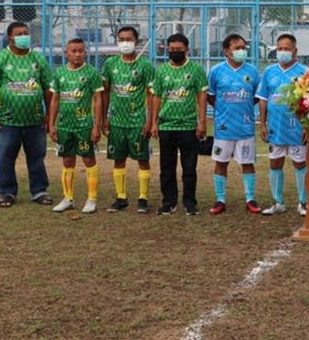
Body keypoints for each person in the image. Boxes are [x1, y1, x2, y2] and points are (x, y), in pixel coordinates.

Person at [0, 21, 53, 207]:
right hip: (7, 120)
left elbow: (48, 89)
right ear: (10, 37)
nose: (24, 36)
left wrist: (48, 115)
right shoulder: (0, 58)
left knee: (36, 157)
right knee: (5, 157)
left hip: (35, 120)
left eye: (26, 33)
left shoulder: (38, 59)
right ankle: (7, 193)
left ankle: (39, 191)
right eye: (19, 34)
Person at [150, 33, 208, 215]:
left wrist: (201, 122)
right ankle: (169, 201)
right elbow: (156, 96)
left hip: (188, 125)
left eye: (179, 50)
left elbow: (201, 95)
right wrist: (153, 122)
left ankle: (190, 202)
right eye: (172, 50)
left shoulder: (196, 70)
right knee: (166, 167)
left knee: (189, 167)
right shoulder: (161, 71)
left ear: (187, 49)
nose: (175, 52)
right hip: (166, 126)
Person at [101, 26, 155, 213]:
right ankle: (121, 197)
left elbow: (151, 95)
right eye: (121, 39)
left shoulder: (145, 65)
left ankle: (143, 198)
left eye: (129, 39)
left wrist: (149, 121)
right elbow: (106, 91)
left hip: (138, 122)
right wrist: (104, 119)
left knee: (142, 160)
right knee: (118, 159)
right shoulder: (110, 64)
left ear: (137, 41)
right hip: (116, 122)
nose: (125, 42)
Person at [207, 34, 262, 215]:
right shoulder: (216, 71)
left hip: (245, 126)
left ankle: (250, 198)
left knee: (247, 162)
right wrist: (223, 108)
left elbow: (257, 96)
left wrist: (243, 107)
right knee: (221, 162)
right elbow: (210, 95)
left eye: (243, 47)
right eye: (237, 47)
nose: (241, 51)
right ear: (226, 51)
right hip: (223, 127)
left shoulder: (252, 71)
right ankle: (220, 199)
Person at [49, 38, 104, 213]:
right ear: (67, 52)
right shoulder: (59, 74)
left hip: (84, 126)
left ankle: (92, 199)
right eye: (74, 51)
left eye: (81, 50)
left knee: (88, 159)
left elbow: (98, 99)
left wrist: (96, 126)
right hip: (65, 126)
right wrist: (51, 124)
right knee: (67, 160)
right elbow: (55, 99)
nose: (78, 54)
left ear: (85, 52)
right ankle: (68, 198)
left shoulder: (91, 73)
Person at [259, 33, 309, 216]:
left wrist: (307, 126)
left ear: (295, 51)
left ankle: (303, 203)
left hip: (296, 127)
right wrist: (262, 124)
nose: (282, 52)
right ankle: (277, 202)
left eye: (286, 49)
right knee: (275, 163)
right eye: (279, 48)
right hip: (275, 127)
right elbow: (263, 99)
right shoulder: (268, 72)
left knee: (300, 163)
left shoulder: (304, 72)